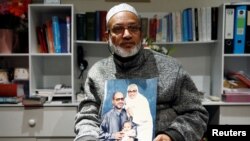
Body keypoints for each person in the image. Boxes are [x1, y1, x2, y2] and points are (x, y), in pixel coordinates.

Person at [74, 3, 209, 141]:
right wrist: (88, 137)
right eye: (118, 29)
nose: (127, 34)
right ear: (107, 36)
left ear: (141, 33)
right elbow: (87, 116)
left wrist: (173, 135)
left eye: (133, 28)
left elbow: (197, 113)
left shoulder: (171, 68)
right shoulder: (98, 72)